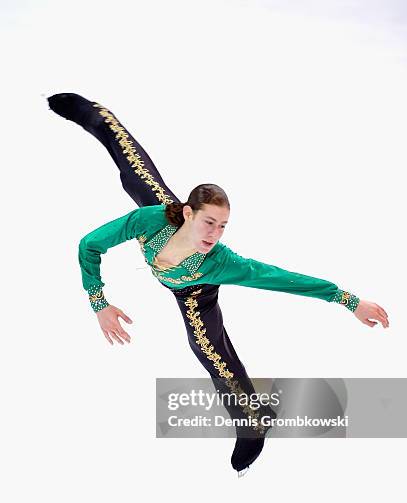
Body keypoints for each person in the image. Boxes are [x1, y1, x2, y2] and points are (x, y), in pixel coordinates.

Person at [47, 93, 389, 478]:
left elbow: (283, 279)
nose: (215, 233)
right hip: (163, 226)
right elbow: (89, 245)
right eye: (209, 223)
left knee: (210, 351)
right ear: (188, 213)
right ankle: (91, 112)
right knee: (131, 166)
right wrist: (99, 302)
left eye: (223, 225)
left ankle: (252, 421)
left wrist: (348, 300)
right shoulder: (151, 219)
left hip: (193, 291)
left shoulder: (221, 262)